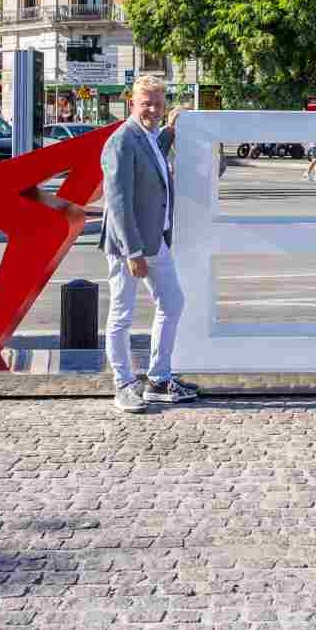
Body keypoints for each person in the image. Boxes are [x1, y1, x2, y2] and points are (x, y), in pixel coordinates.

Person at [100, 74, 199, 413]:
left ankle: (158, 378)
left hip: (156, 240)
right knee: (121, 314)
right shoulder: (121, 141)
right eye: (146, 103)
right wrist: (133, 252)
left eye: (158, 103)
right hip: (131, 246)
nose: (153, 109)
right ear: (132, 104)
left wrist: (172, 126)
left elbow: (157, 152)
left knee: (173, 303)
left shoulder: (150, 136)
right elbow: (118, 203)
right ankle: (124, 384)